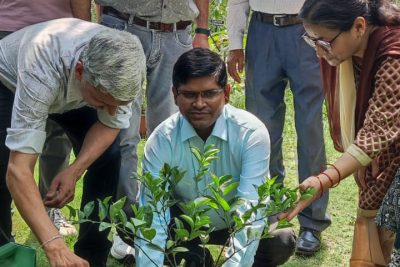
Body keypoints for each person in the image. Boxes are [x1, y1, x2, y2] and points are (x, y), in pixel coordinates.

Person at [0, 18, 145, 267]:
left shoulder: (127, 62)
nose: (112, 112)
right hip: (10, 83)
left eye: (117, 105)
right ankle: (4, 249)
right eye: (103, 103)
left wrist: (74, 171)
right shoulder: (41, 66)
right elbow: (19, 171)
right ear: (80, 72)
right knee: (2, 166)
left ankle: (91, 256)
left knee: (109, 158)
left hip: (78, 95)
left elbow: (111, 123)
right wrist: (55, 247)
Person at [135, 48, 296, 267]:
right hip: (185, 225)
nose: (199, 104)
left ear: (227, 93)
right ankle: (196, 258)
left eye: (210, 94)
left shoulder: (250, 133)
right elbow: (154, 214)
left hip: (234, 222)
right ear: (175, 94)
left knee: (281, 241)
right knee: (134, 222)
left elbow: (249, 211)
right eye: (190, 94)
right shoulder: (161, 140)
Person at [279, 0, 400, 266]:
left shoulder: (394, 53)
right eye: (313, 42)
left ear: (359, 26)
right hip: (381, 160)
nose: (320, 53)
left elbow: (378, 130)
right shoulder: (352, 50)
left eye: (324, 42)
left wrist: (324, 180)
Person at [92, 0, 210, 260]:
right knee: (123, 135)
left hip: (176, 33)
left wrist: (202, 30)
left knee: (170, 136)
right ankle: (127, 228)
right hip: (123, 27)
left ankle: (164, 225)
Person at [226, 0, 330, 256]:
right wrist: (235, 44)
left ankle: (312, 221)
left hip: (307, 30)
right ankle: (269, 212)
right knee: (261, 130)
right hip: (262, 31)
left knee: (310, 128)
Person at [0, 0, 91, 238]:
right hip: (8, 29)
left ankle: (50, 208)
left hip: (61, 34)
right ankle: (5, 231)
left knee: (57, 138)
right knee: (4, 141)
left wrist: (83, 34)